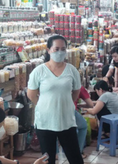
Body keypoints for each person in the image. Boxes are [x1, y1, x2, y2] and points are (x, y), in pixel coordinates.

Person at [27, 35, 83, 164]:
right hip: (45, 122)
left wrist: (66, 103)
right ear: (48, 50)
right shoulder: (39, 71)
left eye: (63, 49)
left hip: (66, 120)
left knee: (75, 158)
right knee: (48, 159)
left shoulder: (72, 70)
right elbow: (31, 94)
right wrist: (44, 105)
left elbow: (76, 92)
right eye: (56, 48)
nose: (60, 52)